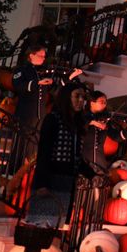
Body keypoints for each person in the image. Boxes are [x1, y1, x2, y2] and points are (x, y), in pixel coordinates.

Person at [24, 84, 95, 229]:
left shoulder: (77, 125)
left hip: (67, 182)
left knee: (59, 227)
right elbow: (44, 152)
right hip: (51, 181)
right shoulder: (53, 119)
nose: (81, 100)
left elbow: (75, 156)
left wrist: (91, 174)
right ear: (66, 98)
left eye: (83, 97)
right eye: (77, 96)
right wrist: (42, 183)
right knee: (41, 227)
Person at [11, 43, 80, 166]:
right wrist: (37, 83)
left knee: (35, 142)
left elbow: (56, 89)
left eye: (44, 56)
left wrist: (70, 76)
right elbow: (18, 86)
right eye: (40, 56)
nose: (43, 59)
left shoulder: (43, 72)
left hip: (40, 114)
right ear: (31, 55)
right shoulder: (22, 70)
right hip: (26, 113)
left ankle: (29, 168)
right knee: (22, 142)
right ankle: (15, 168)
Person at [83, 90, 127, 172]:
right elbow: (80, 122)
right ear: (92, 103)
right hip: (84, 159)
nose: (104, 104)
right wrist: (93, 123)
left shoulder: (104, 120)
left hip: (99, 160)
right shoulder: (83, 116)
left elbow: (116, 137)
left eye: (105, 102)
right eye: (101, 102)